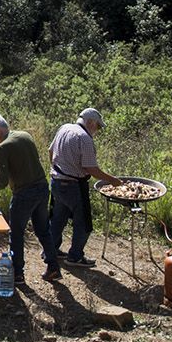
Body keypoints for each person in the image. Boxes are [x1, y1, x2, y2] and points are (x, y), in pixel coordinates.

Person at [0, 115, 56, 286]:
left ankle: (18, 274)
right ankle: (53, 266)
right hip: (42, 188)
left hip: (24, 193)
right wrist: (4, 174)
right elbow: (24, 164)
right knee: (43, 230)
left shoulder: (2, 148)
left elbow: (1, 183)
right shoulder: (24, 135)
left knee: (16, 233)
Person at [47, 107, 118, 277]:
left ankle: (51, 251)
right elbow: (90, 168)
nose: (98, 130)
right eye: (98, 126)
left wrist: (59, 170)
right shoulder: (84, 138)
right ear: (90, 122)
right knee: (83, 223)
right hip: (74, 185)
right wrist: (113, 180)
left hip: (56, 182)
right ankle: (75, 256)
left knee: (57, 219)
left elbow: (50, 151)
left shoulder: (64, 128)